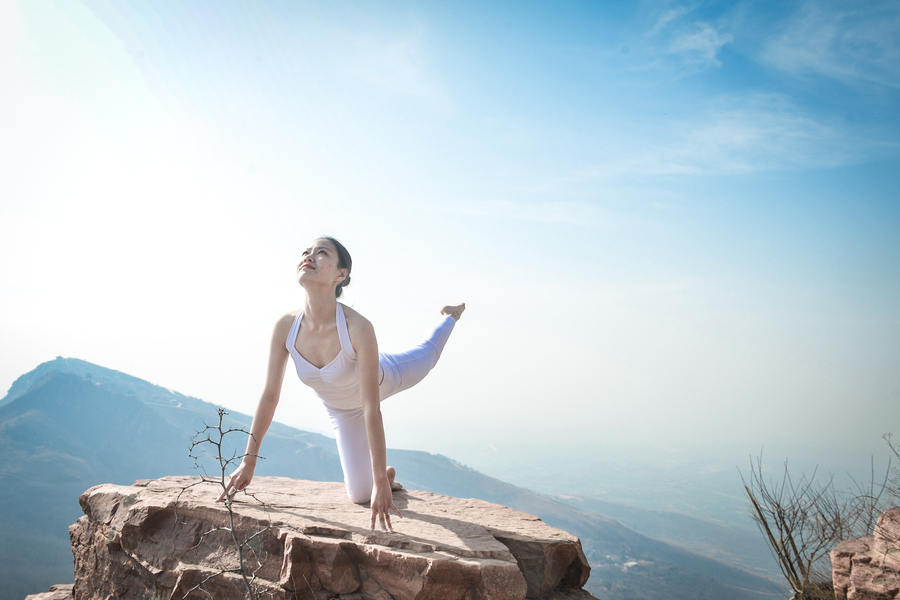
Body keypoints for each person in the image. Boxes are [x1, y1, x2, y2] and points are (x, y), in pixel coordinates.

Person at [217, 236, 464, 532]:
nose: (309, 255)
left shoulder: (358, 327)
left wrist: (379, 483)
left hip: (384, 377)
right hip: (341, 412)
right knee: (360, 495)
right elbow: (270, 395)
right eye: (306, 251)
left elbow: (371, 408)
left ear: (340, 274)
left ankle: (451, 316)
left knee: (428, 355)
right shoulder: (286, 327)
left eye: (321, 253)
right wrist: (249, 462)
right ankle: (386, 474)